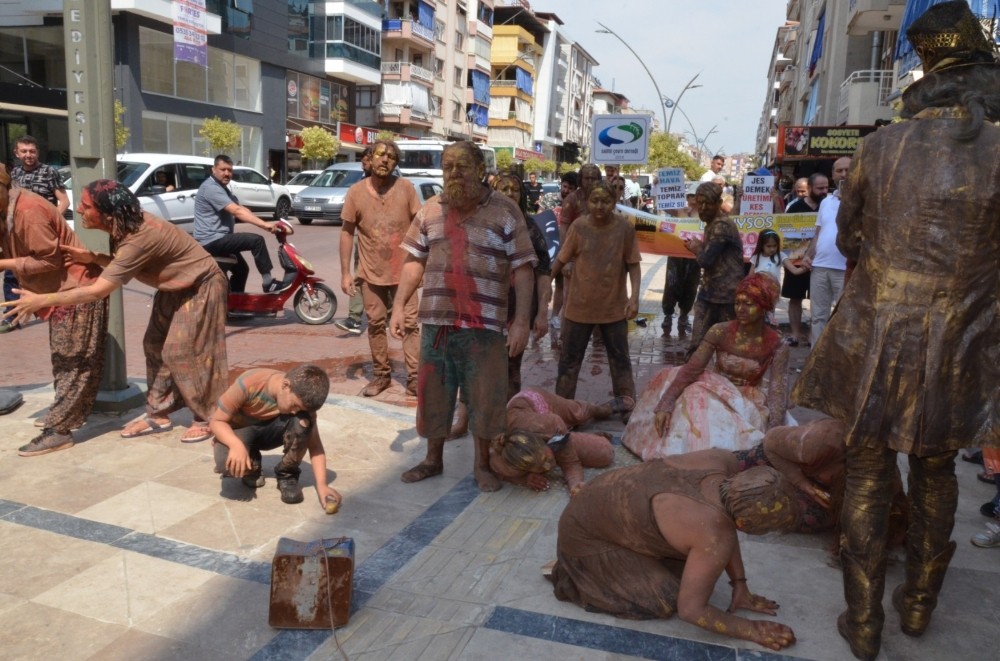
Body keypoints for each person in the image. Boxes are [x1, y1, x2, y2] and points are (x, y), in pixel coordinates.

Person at [792, 4, 1000, 658]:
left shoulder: (879, 147)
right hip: (961, 339)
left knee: (868, 467)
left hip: (878, 331)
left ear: (927, 73)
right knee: (937, 467)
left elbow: (851, 236)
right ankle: (917, 604)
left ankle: (863, 620)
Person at [4, 180, 228, 444]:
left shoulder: (140, 236)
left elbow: (97, 291)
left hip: (201, 284)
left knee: (183, 351)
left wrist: (41, 300)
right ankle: (158, 413)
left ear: (108, 214)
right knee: (154, 345)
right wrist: (94, 257)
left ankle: (208, 416)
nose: (78, 210)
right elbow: (126, 263)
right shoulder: (122, 228)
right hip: (173, 286)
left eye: (86, 206)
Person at [389, 141, 536, 492]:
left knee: (485, 398)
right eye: (448, 167)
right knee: (434, 395)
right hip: (437, 323)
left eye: (462, 166)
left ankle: (482, 465)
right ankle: (432, 460)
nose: (453, 173)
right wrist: (399, 305)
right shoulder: (430, 210)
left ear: (481, 171)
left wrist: (521, 322)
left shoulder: (505, 211)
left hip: (485, 326)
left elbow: (524, 269)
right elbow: (414, 261)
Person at [550, 460, 797, 652]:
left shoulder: (722, 461)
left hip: (595, 503)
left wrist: (740, 584)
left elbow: (727, 527)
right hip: (584, 539)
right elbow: (690, 610)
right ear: (743, 525)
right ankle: (579, 577)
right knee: (667, 599)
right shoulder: (714, 535)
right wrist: (752, 629)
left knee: (693, 561)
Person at [0, 165, 107, 456]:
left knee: (72, 364)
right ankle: (66, 414)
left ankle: (59, 429)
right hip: (58, 293)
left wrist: (3, 264)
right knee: (65, 360)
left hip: (77, 291)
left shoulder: (28, 211)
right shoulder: (9, 208)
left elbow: (50, 261)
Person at [622, 274, 789, 459]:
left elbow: (778, 389)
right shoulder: (720, 331)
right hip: (716, 389)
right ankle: (682, 454)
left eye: (748, 304)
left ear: (764, 307)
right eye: (737, 303)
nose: (740, 309)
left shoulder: (777, 343)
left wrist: (774, 433)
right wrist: (666, 402)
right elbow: (692, 368)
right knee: (692, 393)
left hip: (748, 400)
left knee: (743, 443)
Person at [340, 140, 422, 397]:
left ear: (395, 163)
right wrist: (345, 273)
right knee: (375, 323)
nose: (385, 160)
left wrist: (423, 264)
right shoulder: (355, 192)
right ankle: (381, 375)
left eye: (391, 157)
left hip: (405, 273)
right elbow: (347, 232)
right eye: (380, 154)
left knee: (410, 324)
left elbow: (421, 226)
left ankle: (415, 378)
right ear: (370, 158)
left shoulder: (406, 188)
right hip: (370, 272)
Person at [551, 181, 641, 406]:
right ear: (587, 202)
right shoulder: (579, 227)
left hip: (614, 309)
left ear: (615, 202)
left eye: (606, 201)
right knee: (569, 361)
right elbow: (560, 260)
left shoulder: (624, 228)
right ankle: (562, 407)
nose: (600, 206)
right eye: (595, 200)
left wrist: (634, 298)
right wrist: (544, 289)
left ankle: (626, 404)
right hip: (578, 309)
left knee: (620, 360)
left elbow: (633, 265)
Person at [210, 364, 341, 509]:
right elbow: (216, 421)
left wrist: (322, 485)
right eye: (294, 405)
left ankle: (287, 474)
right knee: (225, 463)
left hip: (272, 432)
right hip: (243, 431)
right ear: (286, 386)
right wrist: (235, 445)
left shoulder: (300, 401)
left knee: (303, 421)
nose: (294, 411)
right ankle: (253, 464)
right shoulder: (249, 383)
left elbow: (315, 446)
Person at [493, 388, 634, 494]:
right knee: (602, 453)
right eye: (541, 467)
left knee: (578, 414)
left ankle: (602, 409)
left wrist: (576, 483)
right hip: (531, 425)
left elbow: (570, 463)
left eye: (546, 459)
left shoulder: (551, 425)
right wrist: (524, 479)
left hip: (536, 402)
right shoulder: (503, 457)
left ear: (544, 442)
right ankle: (575, 437)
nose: (550, 466)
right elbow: (497, 470)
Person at [3, 136, 71, 333]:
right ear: (16, 153)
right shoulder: (14, 174)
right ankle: (12, 318)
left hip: (42, 234)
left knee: (48, 271)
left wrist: (49, 222)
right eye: (24, 151)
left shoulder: (49, 172)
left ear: (37, 152)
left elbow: (64, 201)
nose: (28, 155)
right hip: (18, 234)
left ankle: (58, 311)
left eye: (32, 151)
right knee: (12, 274)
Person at [194, 154, 279, 294]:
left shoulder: (222, 188)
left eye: (230, 170)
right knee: (256, 241)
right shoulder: (211, 188)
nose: (227, 173)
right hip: (212, 240)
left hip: (220, 238)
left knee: (241, 270)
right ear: (213, 169)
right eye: (223, 169)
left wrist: (268, 222)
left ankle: (234, 302)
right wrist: (264, 225)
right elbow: (236, 211)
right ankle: (268, 283)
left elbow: (241, 208)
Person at [684, 182, 744, 355]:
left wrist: (697, 249)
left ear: (718, 203)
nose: (703, 208)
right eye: (699, 203)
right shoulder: (712, 223)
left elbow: (706, 260)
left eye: (708, 203)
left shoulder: (721, 226)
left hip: (725, 296)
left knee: (726, 348)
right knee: (698, 346)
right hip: (710, 292)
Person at [802, 157, 850, 346]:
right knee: (817, 316)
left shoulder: (864, 200)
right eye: (839, 171)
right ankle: (816, 355)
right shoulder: (826, 202)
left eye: (848, 170)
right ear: (833, 175)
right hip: (820, 267)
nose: (844, 174)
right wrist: (808, 255)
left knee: (845, 317)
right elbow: (818, 233)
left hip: (845, 269)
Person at [782, 173, 828, 346]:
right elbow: (786, 234)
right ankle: (795, 334)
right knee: (795, 298)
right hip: (797, 261)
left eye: (826, 188)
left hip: (822, 261)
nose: (824, 191)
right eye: (820, 188)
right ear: (809, 189)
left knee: (819, 300)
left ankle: (812, 336)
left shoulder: (829, 206)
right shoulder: (795, 207)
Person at [336, 147, 373, 336]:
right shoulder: (359, 188)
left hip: (390, 246)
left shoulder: (398, 187)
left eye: (366, 161)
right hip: (364, 242)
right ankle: (355, 318)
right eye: (362, 162)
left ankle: (389, 316)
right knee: (359, 278)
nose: (363, 165)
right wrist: (345, 273)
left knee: (390, 280)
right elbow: (347, 230)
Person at [661, 183, 701, 338]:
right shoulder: (680, 211)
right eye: (691, 196)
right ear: (687, 197)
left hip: (694, 257)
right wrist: (663, 187)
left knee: (691, 287)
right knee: (671, 285)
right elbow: (664, 205)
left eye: (696, 196)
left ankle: (683, 316)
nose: (693, 199)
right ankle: (668, 315)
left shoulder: (705, 214)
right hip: (676, 256)